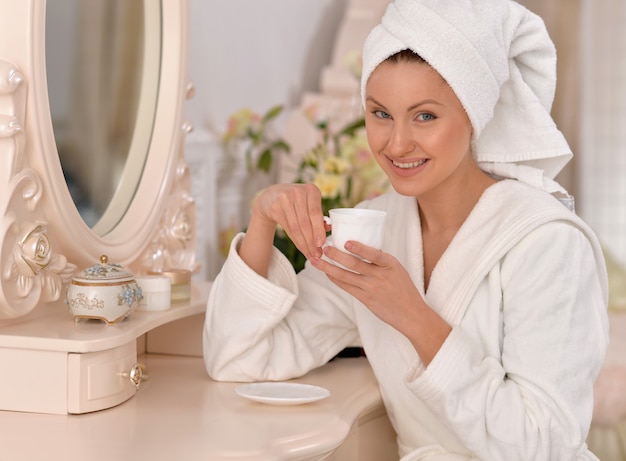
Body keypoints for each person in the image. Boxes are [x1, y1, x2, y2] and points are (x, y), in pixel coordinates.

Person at [203, 0, 609, 459]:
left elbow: (545, 444)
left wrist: (412, 314)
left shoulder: (546, 241)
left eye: (425, 116)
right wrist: (262, 218)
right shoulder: (381, 230)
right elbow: (239, 358)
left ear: (475, 116)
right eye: (380, 114)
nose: (396, 144)